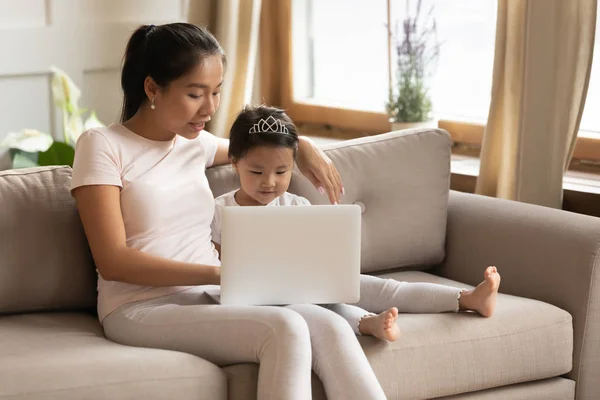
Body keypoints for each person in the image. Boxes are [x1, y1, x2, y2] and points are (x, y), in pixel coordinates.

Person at [70, 22, 386, 400]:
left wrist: (303, 145)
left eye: (216, 92)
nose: (210, 108)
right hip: (140, 307)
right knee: (284, 326)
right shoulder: (103, 145)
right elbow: (113, 261)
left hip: (211, 294)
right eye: (194, 94)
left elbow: (258, 145)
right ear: (153, 88)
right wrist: (226, 273)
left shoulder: (194, 143)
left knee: (330, 324)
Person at [210, 104, 502, 343]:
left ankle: (467, 298)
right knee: (318, 307)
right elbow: (216, 268)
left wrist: (325, 271)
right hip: (259, 299)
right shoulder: (220, 210)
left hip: (305, 283)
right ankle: (367, 324)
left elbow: (317, 254)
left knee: (384, 288)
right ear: (235, 163)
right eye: (257, 171)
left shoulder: (297, 205)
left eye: (281, 171)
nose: (269, 182)